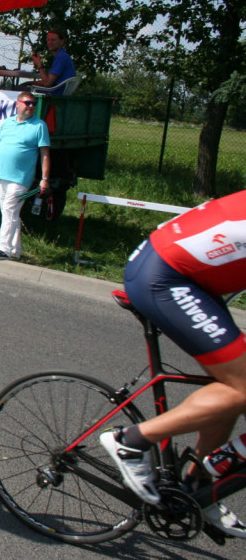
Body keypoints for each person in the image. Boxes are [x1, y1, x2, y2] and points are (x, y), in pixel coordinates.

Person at [99, 190, 246, 537]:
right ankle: (131, 440)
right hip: (166, 278)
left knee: (232, 382)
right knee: (243, 384)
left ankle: (199, 485)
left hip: (189, 277)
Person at [0, 91, 50, 261]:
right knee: (11, 213)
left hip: (21, 178)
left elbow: (45, 154)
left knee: (9, 210)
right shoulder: (7, 123)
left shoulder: (39, 126)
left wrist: (44, 179)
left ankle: (3, 248)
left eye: (34, 104)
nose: (31, 107)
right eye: (28, 103)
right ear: (18, 104)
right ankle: (15, 250)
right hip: (3, 175)